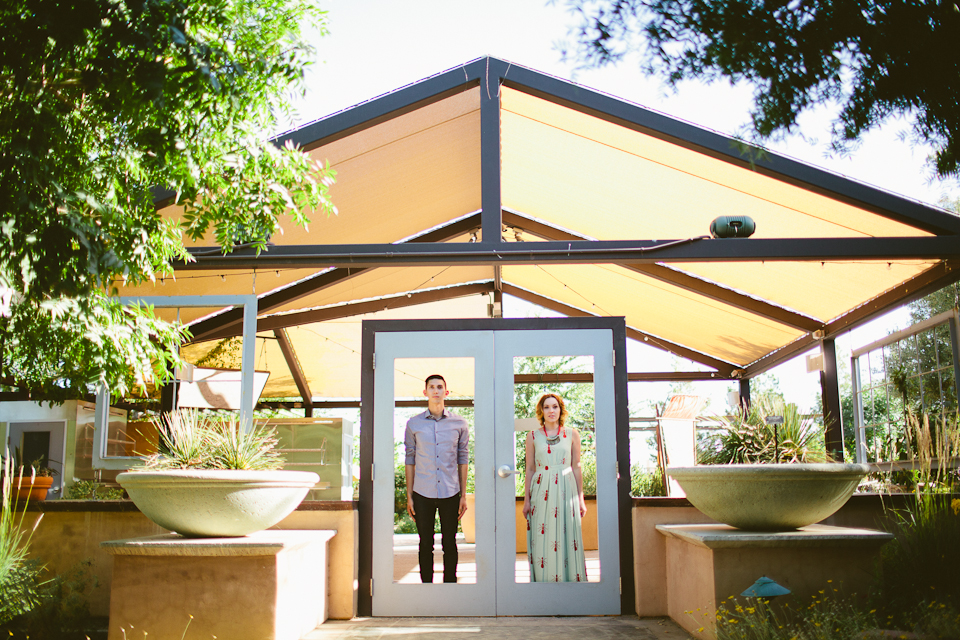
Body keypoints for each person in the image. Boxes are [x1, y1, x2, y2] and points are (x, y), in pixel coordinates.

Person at [404, 374, 469, 583]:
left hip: (451, 492)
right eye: (431, 387)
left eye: (440, 387)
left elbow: (463, 459)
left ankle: (450, 585)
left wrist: (463, 495)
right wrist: (409, 496)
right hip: (422, 492)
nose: (435, 390)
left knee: (450, 542)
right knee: (425, 543)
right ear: (425, 392)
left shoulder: (460, 423)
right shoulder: (414, 424)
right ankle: (427, 588)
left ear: (446, 392)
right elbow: (410, 460)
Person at [522, 393, 588, 582]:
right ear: (541, 411)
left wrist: (581, 500)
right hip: (541, 489)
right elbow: (530, 469)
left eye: (555, 407)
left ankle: (572, 586)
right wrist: (526, 500)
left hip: (567, 488)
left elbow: (576, 466)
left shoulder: (572, 434)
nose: (551, 411)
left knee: (568, 533)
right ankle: (545, 585)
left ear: (561, 410)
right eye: (547, 407)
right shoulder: (532, 436)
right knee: (543, 534)